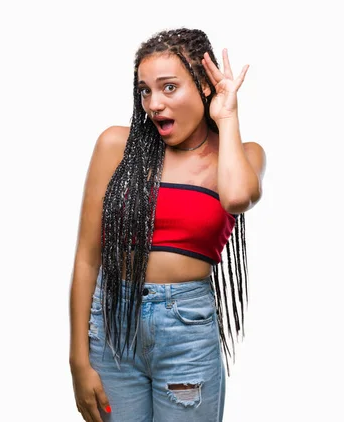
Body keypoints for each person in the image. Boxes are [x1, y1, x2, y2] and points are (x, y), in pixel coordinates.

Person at [69, 27, 266, 422]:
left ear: (205, 88)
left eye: (169, 88)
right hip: (111, 325)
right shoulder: (115, 146)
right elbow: (87, 259)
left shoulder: (242, 155)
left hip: (186, 329)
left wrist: (226, 117)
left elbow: (237, 198)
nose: (154, 103)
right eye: (145, 90)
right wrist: (78, 358)